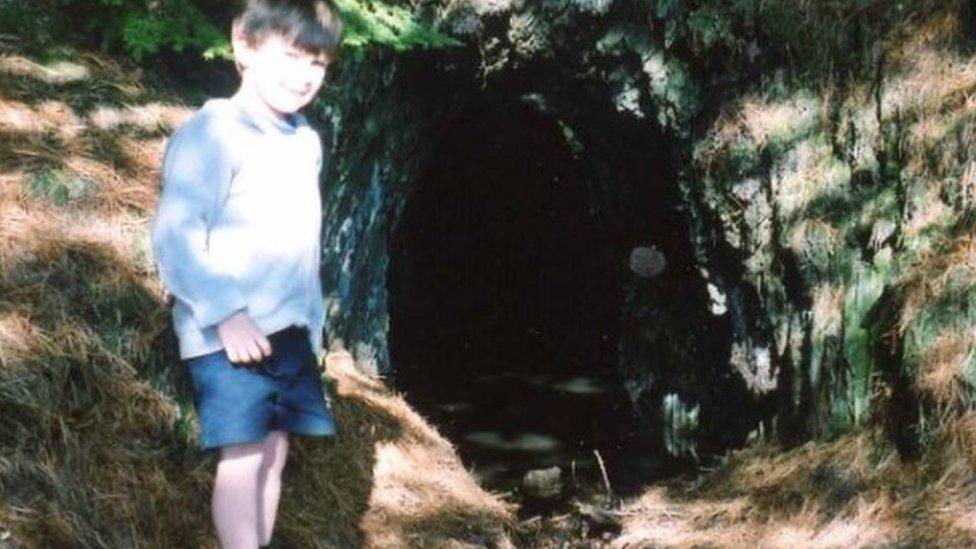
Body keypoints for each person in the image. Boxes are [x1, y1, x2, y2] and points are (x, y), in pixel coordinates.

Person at [149, 1, 343, 547]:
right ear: (244, 47)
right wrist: (225, 314)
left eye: (318, 64)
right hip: (228, 332)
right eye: (291, 56)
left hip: (287, 330)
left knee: (275, 452)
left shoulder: (305, 141)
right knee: (245, 454)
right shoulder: (212, 132)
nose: (303, 76)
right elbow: (177, 235)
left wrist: (311, 324)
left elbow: (299, 243)